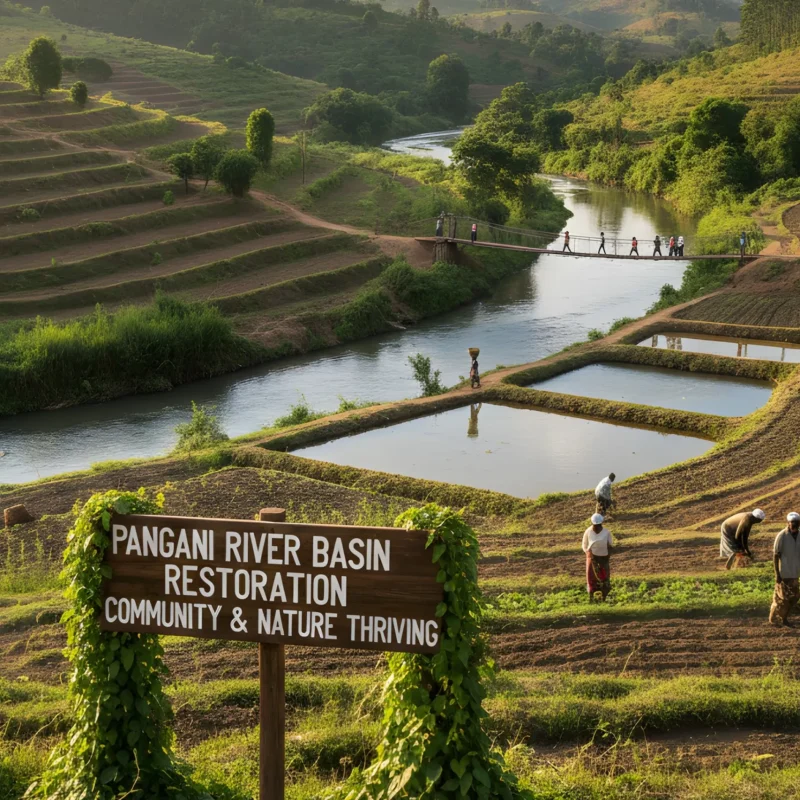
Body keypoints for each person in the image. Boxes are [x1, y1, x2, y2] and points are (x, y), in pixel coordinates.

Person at [770, 512, 800, 626]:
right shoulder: (782, 536)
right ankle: (783, 619)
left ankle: (775, 616)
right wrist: (777, 574)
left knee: (794, 596)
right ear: (788, 523)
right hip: (784, 572)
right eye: (792, 522)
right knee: (784, 597)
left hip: (795, 572)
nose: (794, 524)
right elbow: (775, 555)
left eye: (796, 522)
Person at [583, 513, 613, 602]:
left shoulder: (607, 532)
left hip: (603, 557)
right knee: (591, 577)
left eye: (598, 525)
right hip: (592, 557)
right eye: (596, 525)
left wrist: (608, 554)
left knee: (605, 577)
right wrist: (588, 552)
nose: (597, 527)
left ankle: (604, 597)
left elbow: (610, 544)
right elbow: (584, 545)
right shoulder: (588, 531)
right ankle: (591, 597)